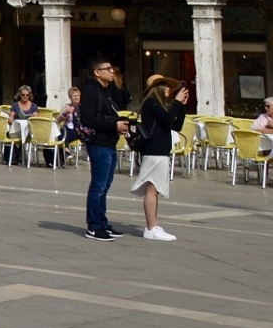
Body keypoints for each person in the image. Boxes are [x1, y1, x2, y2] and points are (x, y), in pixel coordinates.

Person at [130, 75, 190, 241]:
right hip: (154, 151)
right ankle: (151, 227)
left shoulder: (160, 105)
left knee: (155, 189)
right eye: (165, 85)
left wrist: (182, 106)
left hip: (160, 151)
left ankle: (154, 225)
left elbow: (175, 125)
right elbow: (169, 119)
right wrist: (177, 102)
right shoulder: (152, 103)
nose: (169, 88)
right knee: (152, 189)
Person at [79, 57, 131, 241]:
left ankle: (102, 222)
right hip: (99, 142)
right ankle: (94, 226)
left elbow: (121, 102)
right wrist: (113, 126)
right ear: (97, 72)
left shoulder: (106, 91)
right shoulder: (91, 89)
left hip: (109, 142)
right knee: (98, 186)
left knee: (105, 185)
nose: (112, 71)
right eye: (107, 69)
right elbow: (88, 118)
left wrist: (118, 125)